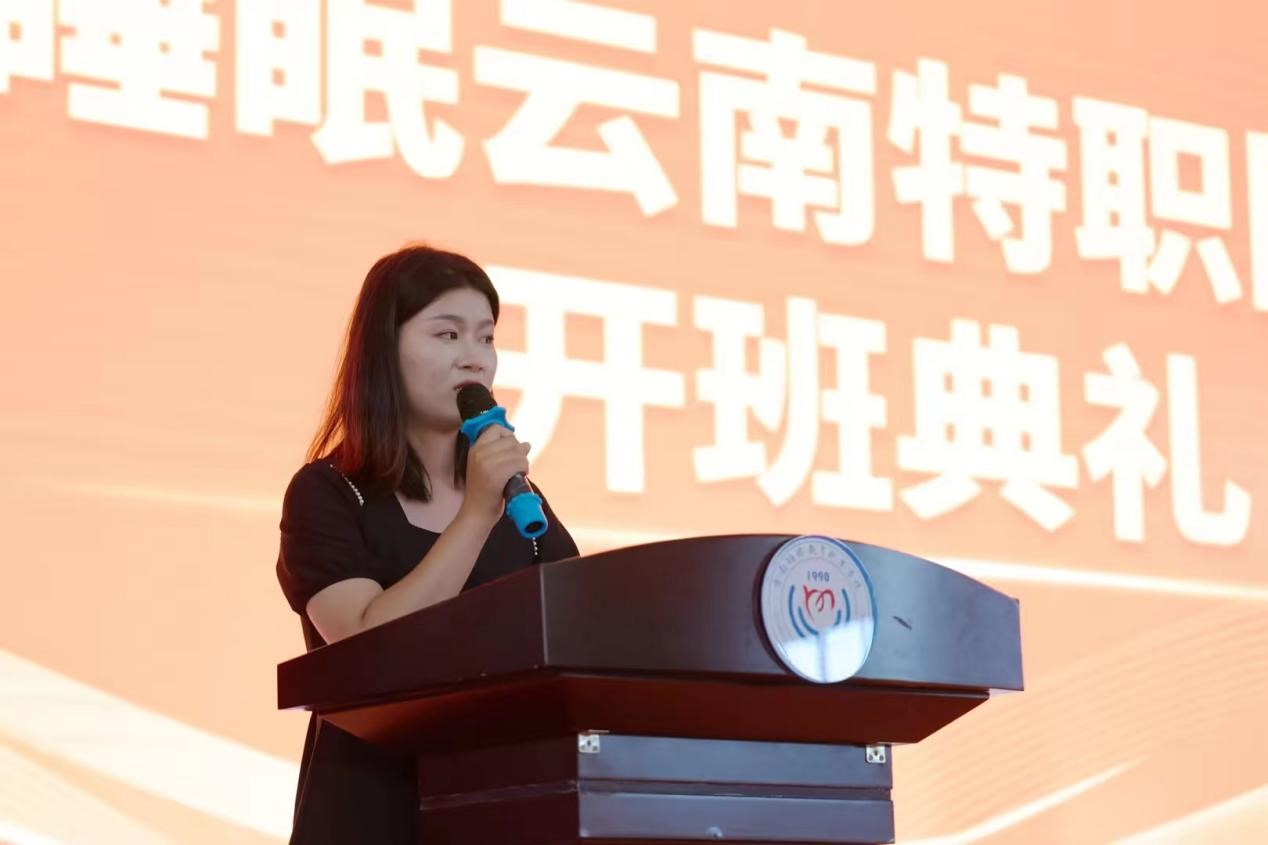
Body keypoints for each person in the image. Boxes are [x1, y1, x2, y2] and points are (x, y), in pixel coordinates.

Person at [275, 244, 579, 844]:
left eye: (486, 337)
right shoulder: (329, 493)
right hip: (373, 812)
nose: (474, 357)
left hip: (503, 809)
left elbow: (578, 631)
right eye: (448, 334)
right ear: (384, 351)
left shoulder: (519, 500)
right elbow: (367, 647)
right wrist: (476, 515)